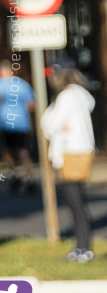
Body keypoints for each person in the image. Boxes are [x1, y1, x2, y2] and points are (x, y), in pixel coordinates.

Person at [41, 68, 96, 263]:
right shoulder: (82, 95)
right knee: (79, 201)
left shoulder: (66, 97)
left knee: (76, 204)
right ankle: (82, 246)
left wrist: (54, 124)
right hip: (83, 152)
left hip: (70, 153)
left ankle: (84, 248)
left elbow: (50, 122)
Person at [0, 60, 37, 194]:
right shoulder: (23, 85)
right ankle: (30, 178)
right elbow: (31, 105)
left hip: (5, 123)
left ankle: (14, 175)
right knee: (22, 151)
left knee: (7, 151)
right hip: (22, 123)